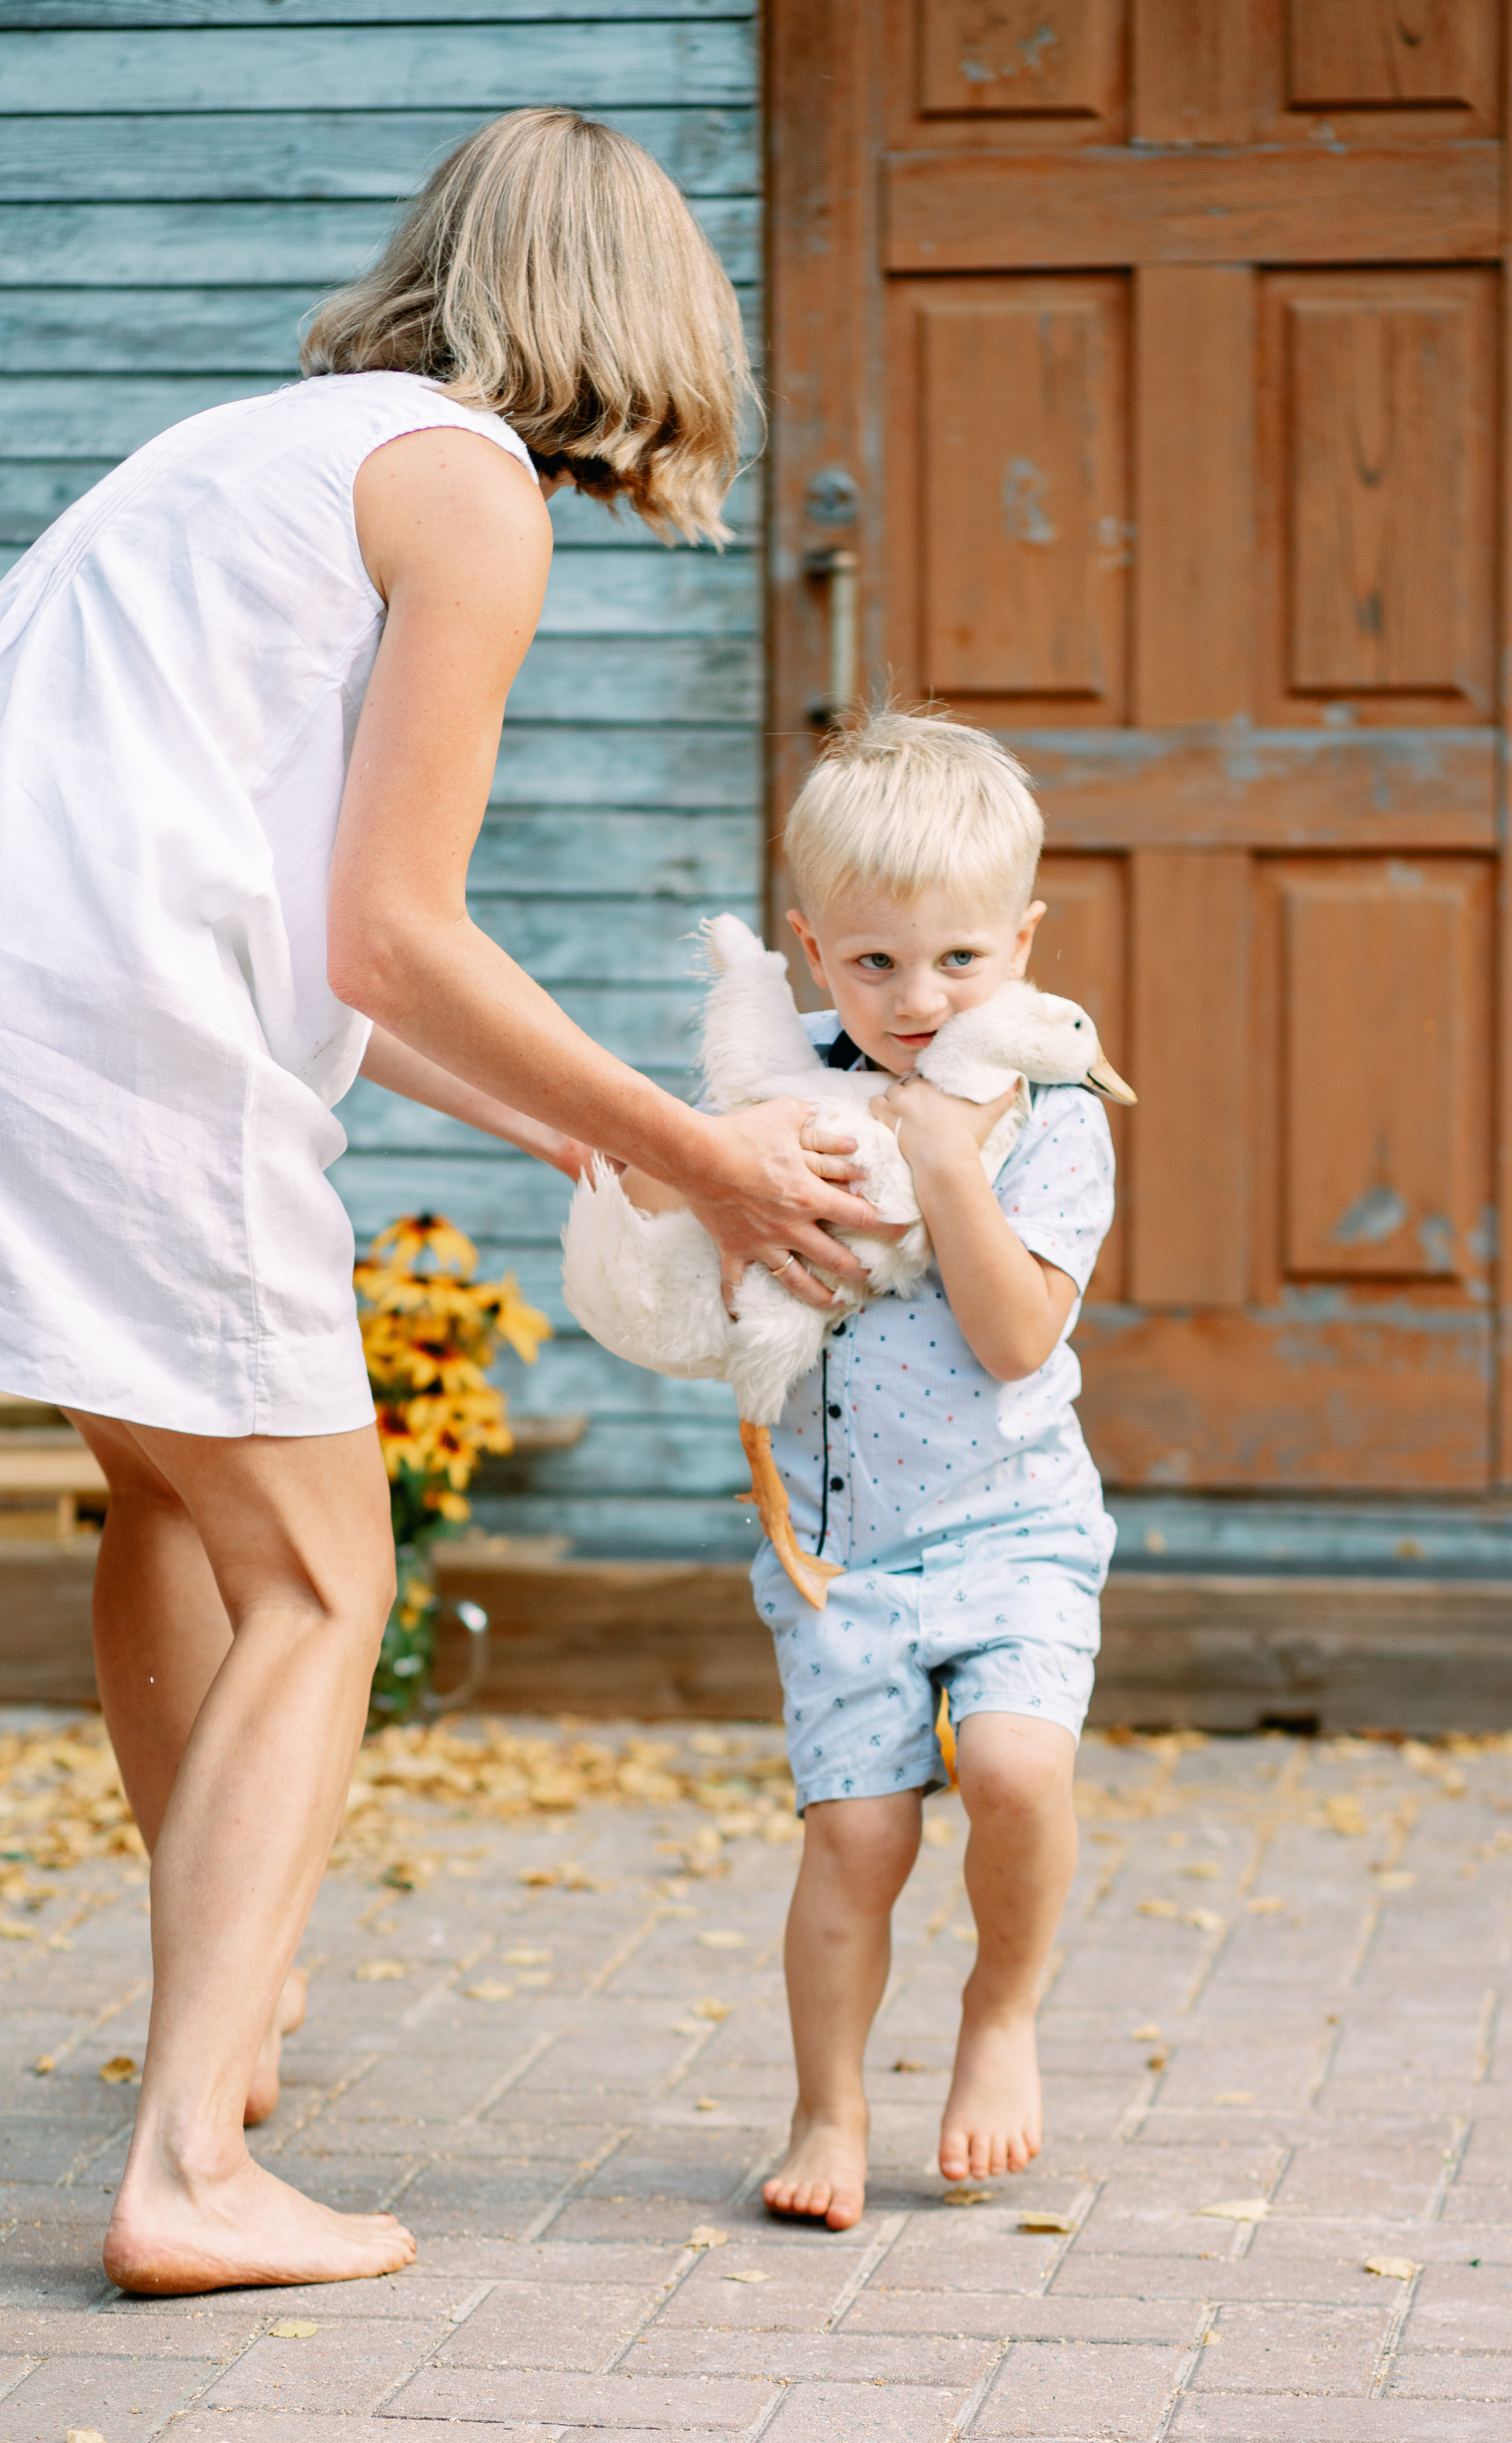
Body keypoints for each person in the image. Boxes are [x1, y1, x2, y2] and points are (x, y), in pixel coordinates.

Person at [0, 109, 888, 2295]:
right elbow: (396, 937)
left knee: (176, 1500)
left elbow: (335, 934)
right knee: (329, 1576)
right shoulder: (464, 492)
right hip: (98, 1028)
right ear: (637, 319)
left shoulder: (255, 447)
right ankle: (187, 2178)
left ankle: (218, 2042)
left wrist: (596, 1137)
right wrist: (709, 1153)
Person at [628, 711, 1116, 2231]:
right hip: (839, 1554)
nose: (916, 1002)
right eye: (873, 964)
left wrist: (948, 1164)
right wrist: (719, 1210)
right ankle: (826, 2107)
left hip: (1016, 1522)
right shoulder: (782, 1110)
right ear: (810, 949)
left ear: (1021, 943)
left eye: (960, 962)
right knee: (856, 1834)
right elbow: (687, 1249)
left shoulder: (1047, 1116)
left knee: (1019, 1771)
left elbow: (1017, 1337)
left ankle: (1001, 2017)